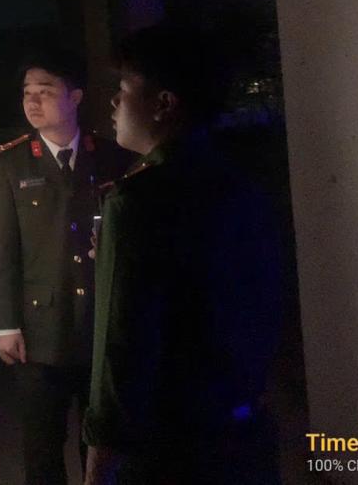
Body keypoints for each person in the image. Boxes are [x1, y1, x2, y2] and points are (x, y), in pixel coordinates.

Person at [82, 24, 281, 484]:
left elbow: (121, 351)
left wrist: (98, 467)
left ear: (164, 104)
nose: (113, 104)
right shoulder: (240, 183)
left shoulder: (135, 202)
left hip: (169, 450)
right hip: (245, 434)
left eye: (123, 90)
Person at [0, 47, 132, 485]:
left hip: (99, 322)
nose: (32, 101)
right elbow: (3, 250)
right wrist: (6, 325)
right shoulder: (12, 161)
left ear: (75, 97)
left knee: (101, 441)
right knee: (42, 444)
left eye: (46, 91)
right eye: (27, 92)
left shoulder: (110, 156)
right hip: (40, 328)